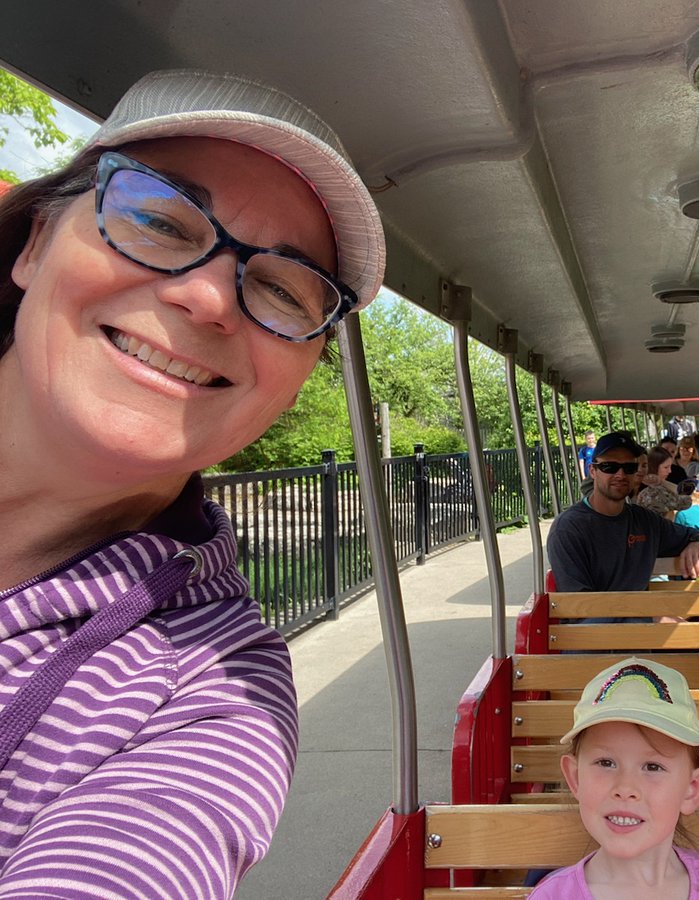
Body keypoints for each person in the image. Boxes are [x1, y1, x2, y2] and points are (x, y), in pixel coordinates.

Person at [0, 69, 386, 896]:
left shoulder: (206, 700)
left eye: (285, 288)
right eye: (155, 219)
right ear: (35, 244)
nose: (211, 297)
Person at [529, 658, 699, 899]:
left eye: (652, 766)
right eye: (606, 763)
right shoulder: (551, 896)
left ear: (691, 789)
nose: (625, 788)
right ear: (575, 778)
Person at [546, 432, 699, 593]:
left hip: (642, 617)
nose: (620, 474)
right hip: (599, 622)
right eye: (609, 467)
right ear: (593, 471)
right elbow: (578, 606)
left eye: (629, 467)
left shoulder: (645, 522)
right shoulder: (568, 529)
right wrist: (649, 618)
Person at [634, 445, 693, 520]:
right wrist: (662, 482)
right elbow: (687, 502)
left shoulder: (639, 490)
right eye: (666, 467)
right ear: (654, 466)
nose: (670, 471)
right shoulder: (657, 492)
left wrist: (661, 481)